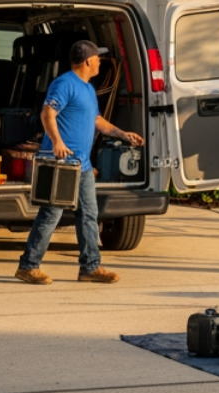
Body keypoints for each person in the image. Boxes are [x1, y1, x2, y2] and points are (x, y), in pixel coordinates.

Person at [15, 40, 144, 285]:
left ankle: (90, 268)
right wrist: (57, 142)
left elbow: (97, 120)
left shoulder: (87, 88)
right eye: (97, 58)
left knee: (89, 214)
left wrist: (122, 134)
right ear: (88, 61)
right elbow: (47, 113)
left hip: (81, 164)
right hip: (61, 162)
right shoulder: (64, 84)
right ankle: (28, 266)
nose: (99, 62)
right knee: (51, 214)